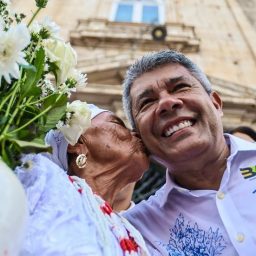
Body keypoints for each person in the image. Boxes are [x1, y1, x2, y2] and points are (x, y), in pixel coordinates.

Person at [122, 49, 256, 256]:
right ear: (138, 136)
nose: (167, 102)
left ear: (216, 103)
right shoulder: (136, 230)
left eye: (180, 87)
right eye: (147, 102)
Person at [15, 104, 150, 256]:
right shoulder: (43, 177)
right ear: (77, 144)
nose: (136, 133)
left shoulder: (131, 232)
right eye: (118, 123)